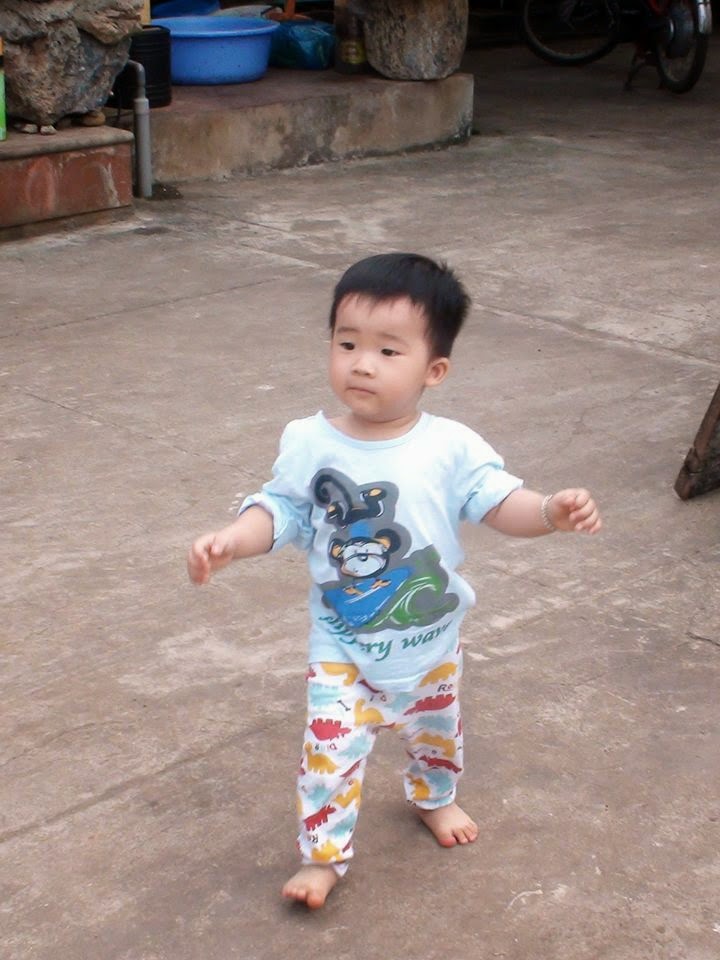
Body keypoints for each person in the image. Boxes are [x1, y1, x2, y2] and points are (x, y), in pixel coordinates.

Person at [187, 252, 602, 910]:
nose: (361, 363)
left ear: (434, 370)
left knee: (437, 737)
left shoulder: (452, 447)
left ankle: (435, 798)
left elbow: (500, 504)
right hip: (343, 645)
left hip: (430, 642)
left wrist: (550, 512)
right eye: (346, 342)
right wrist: (234, 540)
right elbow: (282, 511)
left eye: (387, 350)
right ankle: (322, 857)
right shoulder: (309, 442)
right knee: (327, 755)